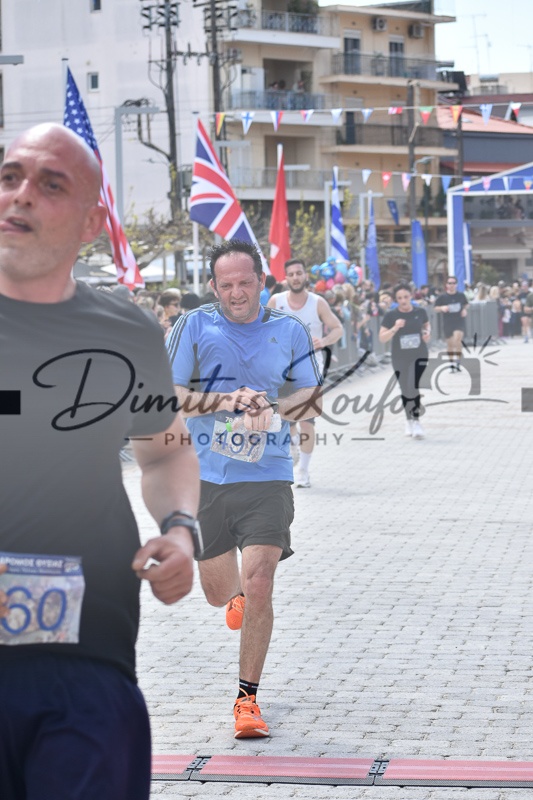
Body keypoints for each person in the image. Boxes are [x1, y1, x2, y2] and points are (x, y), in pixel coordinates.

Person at [0, 124, 200, 800]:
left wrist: (180, 530)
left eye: (50, 184)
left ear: (91, 224)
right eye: (10, 176)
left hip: (88, 662)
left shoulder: (125, 330)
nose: (21, 194)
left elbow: (164, 453)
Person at [166, 240, 322, 738]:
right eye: (227, 284)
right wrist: (227, 400)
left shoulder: (290, 330)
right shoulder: (193, 326)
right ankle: (232, 596)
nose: (237, 292)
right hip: (205, 479)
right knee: (220, 594)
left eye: (245, 282)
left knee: (260, 582)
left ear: (262, 281)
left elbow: (311, 400)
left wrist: (272, 408)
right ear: (214, 287)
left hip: (267, 475)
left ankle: (247, 700)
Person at [267, 257, 343, 487]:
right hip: (283, 371)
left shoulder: (318, 302)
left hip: (310, 370)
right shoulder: (277, 301)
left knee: (307, 422)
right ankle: (294, 447)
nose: (296, 278)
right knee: (288, 421)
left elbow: (338, 328)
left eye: (299, 273)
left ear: (305, 275)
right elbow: (263, 330)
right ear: (286, 278)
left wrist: (324, 341)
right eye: (291, 274)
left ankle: (303, 471)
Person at [379, 283, 431, 439]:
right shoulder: (391, 315)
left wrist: (427, 332)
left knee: (412, 384)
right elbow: (382, 338)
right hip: (399, 356)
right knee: (404, 388)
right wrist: (395, 328)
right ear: (396, 299)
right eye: (400, 298)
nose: (403, 301)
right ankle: (408, 420)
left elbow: (426, 324)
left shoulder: (420, 311)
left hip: (419, 354)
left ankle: (416, 421)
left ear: (411, 296)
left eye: (406, 297)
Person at [434, 276, 469, 371]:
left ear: (456, 284)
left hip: (459, 321)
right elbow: (435, 308)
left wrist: (464, 310)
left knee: (457, 340)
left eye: (453, 283)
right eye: (449, 283)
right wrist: (442, 308)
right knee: (450, 344)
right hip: (447, 322)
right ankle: (451, 363)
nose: (451, 285)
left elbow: (466, 304)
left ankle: (458, 362)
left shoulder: (461, 295)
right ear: (446, 285)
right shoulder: (442, 297)